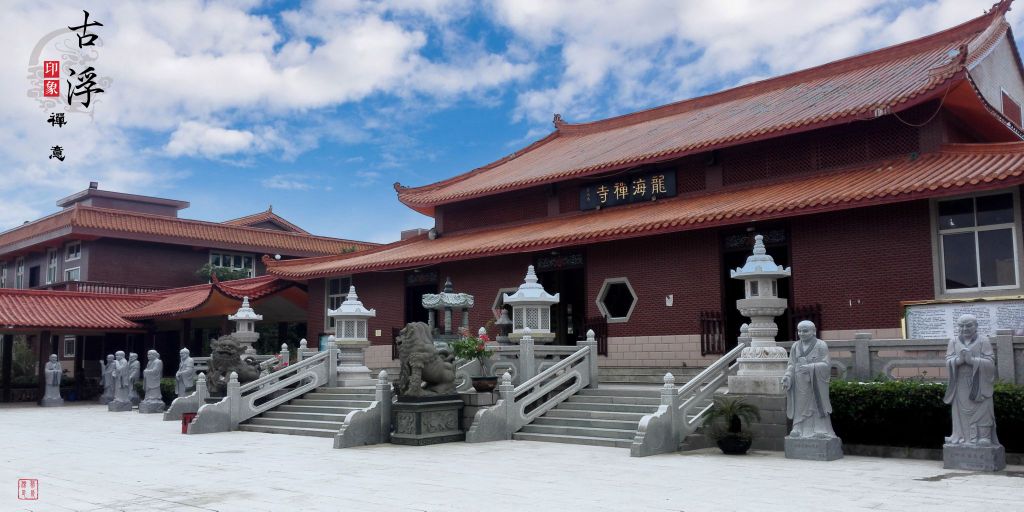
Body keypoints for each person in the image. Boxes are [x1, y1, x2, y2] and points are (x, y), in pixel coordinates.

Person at [943, 314, 999, 446]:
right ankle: (962, 436)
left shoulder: (983, 341)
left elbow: (991, 362)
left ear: (976, 326)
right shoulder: (953, 341)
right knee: (961, 411)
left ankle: (983, 437)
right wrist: (958, 361)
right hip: (960, 382)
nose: (964, 328)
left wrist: (972, 361)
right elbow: (948, 360)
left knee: (984, 409)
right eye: (961, 326)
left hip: (980, 382)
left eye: (968, 325)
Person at [782, 320, 836, 438]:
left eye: (805, 331)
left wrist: (810, 367)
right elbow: (791, 364)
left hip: (816, 383)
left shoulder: (821, 345)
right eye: (799, 331)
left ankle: (820, 430)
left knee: (816, 405)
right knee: (800, 406)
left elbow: (826, 365)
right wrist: (787, 376)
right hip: (799, 383)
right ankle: (798, 428)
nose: (801, 333)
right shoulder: (795, 346)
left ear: (813, 331)